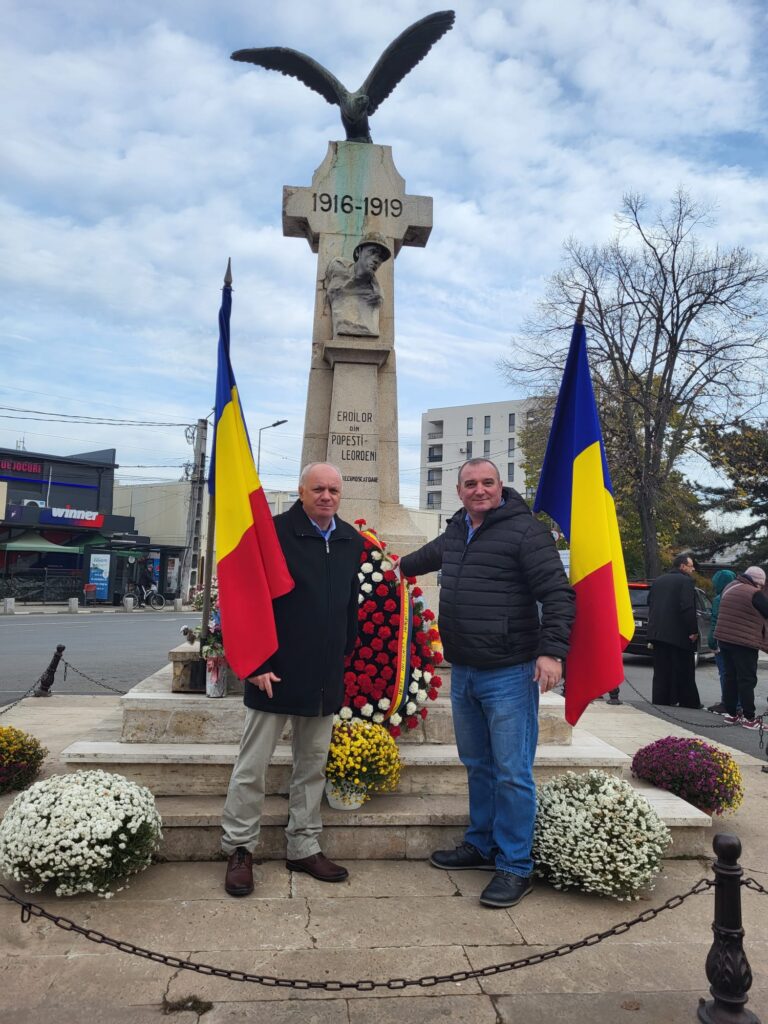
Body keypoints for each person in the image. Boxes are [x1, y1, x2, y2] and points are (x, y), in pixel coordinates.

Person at [399, 458, 575, 909]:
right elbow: (415, 562)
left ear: (500, 486)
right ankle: (481, 845)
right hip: (464, 671)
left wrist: (552, 653)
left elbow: (557, 593)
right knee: (477, 764)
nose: (479, 490)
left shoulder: (525, 531)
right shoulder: (457, 530)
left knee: (512, 772)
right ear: (458, 491)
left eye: (487, 482)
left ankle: (516, 865)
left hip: (510, 672)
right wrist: (375, 564)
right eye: (471, 484)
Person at [221, 463, 364, 896]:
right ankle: (240, 849)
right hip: (274, 672)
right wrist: (255, 660)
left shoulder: (350, 539)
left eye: (333, 490)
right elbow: (247, 596)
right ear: (301, 492)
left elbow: (349, 602)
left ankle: (303, 845)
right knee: (252, 768)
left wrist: (344, 650)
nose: (326, 496)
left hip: (323, 674)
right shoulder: (274, 533)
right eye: (318, 489)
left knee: (312, 767)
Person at [714, 566, 768, 731]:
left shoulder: (730, 587)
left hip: (724, 639)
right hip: (744, 642)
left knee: (730, 676)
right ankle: (749, 717)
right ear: (757, 582)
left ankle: (731, 713)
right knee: (747, 679)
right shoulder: (754, 593)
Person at [646, 553, 701, 708]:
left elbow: (650, 602)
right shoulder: (686, 581)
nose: (693, 569)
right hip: (678, 633)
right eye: (691, 566)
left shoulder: (658, 580)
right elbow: (687, 607)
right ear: (682, 566)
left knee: (661, 670)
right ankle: (688, 701)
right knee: (684, 669)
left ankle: (661, 699)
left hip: (658, 632)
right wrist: (693, 630)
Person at [325, 232, 391, 337]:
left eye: (381, 257)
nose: (376, 260)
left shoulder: (375, 295)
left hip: (365, 329)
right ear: (359, 252)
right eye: (372, 252)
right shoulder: (338, 267)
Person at [705, 569, 736, 715]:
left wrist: (712, 641)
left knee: (725, 673)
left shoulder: (720, 598)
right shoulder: (740, 596)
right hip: (739, 641)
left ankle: (727, 703)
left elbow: (715, 621)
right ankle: (738, 703)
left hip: (722, 641)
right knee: (737, 674)